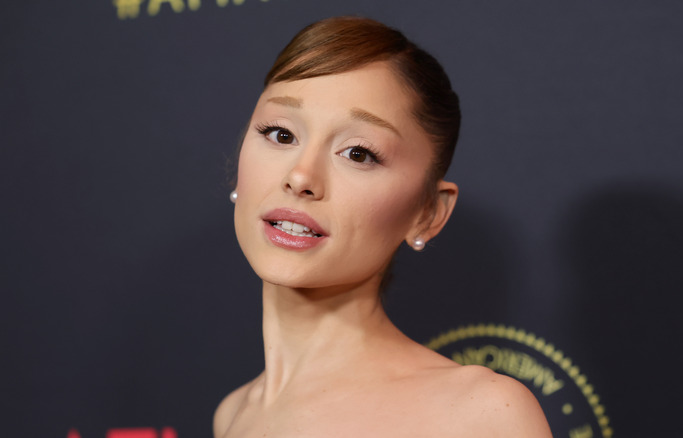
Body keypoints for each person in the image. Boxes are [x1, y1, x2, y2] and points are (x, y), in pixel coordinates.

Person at [215, 16, 552, 438]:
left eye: (358, 153)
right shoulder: (232, 415)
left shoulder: (479, 415)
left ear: (428, 212)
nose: (300, 177)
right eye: (281, 134)